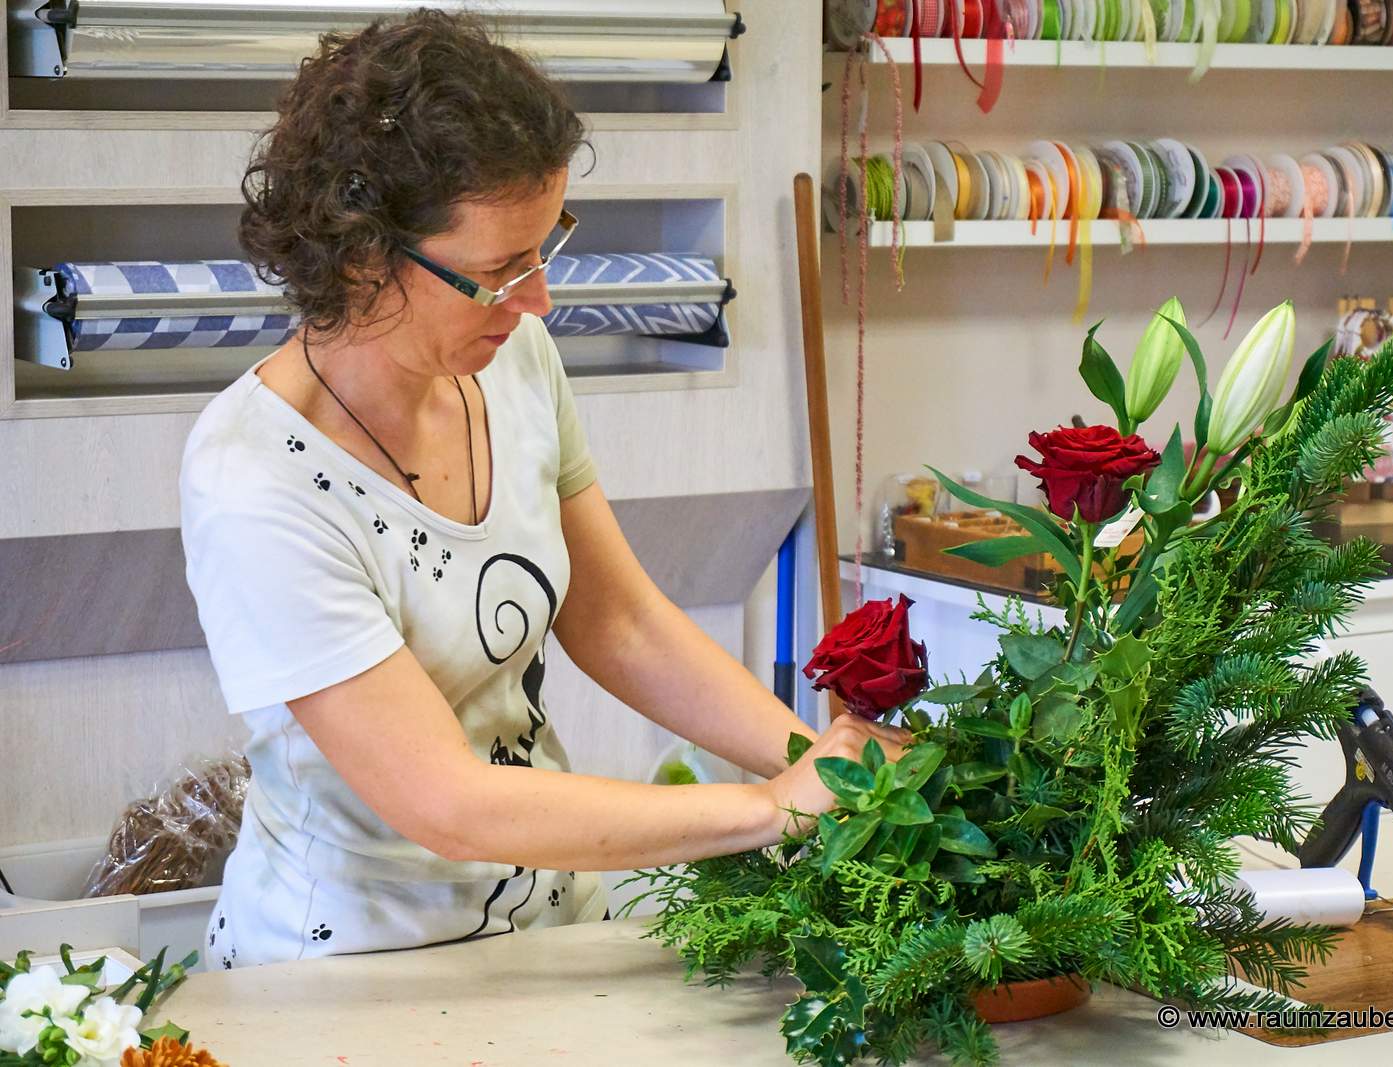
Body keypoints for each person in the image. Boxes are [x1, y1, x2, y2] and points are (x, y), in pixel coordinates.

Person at [179, 10, 903, 970]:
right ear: (362, 256)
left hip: (549, 928)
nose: (537, 301)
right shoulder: (254, 476)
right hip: (348, 969)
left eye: (543, 249)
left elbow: (619, 622)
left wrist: (819, 759)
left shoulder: (513, 357)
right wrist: (768, 810)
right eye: (495, 272)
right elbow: (445, 800)